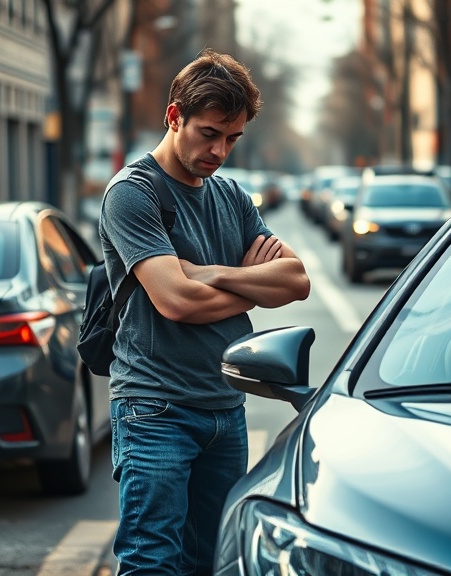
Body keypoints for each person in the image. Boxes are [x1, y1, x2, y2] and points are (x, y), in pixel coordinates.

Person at [98, 49, 310, 575]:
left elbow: (297, 279)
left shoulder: (232, 196)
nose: (220, 150)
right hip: (154, 410)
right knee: (152, 563)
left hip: (224, 406)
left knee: (213, 561)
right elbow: (175, 301)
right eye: (209, 133)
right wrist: (252, 287)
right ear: (175, 117)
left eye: (232, 138)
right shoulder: (132, 194)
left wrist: (207, 272)